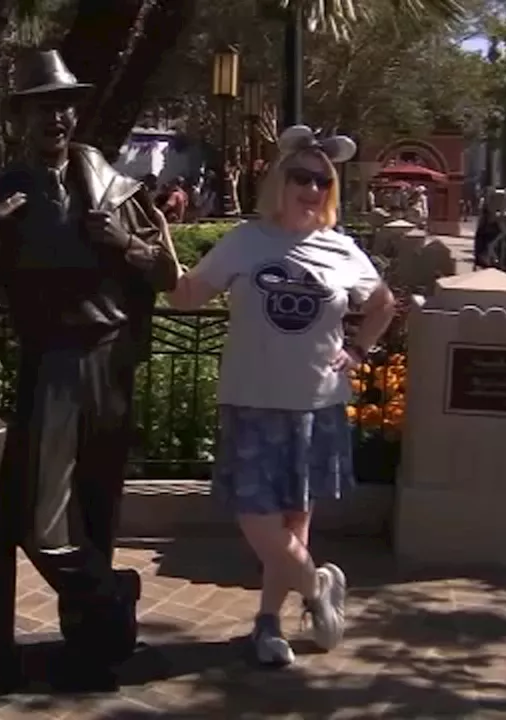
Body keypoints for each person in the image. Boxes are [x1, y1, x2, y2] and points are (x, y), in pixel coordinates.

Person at [0, 49, 180, 690]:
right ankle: (112, 591)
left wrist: (125, 244)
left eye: (63, 105)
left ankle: (94, 645)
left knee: (97, 506)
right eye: (41, 107)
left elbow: (167, 274)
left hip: (110, 359)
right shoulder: (4, 193)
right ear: (22, 118)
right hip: (51, 359)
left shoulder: (116, 187)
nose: (56, 116)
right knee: (42, 520)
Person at [168, 125, 396, 667]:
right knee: (256, 518)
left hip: (316, 405)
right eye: (302, 177)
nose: (312, 189)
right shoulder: (246, 241)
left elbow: (384, 302)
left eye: (322, 181)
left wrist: (360, 351)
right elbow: (187, 297)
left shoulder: (342, 249)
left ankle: (269, 623)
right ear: (280, 180)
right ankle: (319, 588)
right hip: (251, 401)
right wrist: (157, 255)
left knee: (294, 523)